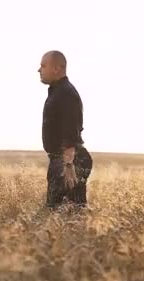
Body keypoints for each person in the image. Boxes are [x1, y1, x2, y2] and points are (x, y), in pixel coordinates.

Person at [37, 50, 93, 210]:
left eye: (43, 65)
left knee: (62, 213)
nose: (39, 70)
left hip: (70, 159)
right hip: (63, 159)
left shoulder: (66, 93)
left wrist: (68, 166)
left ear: (56, 69)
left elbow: (71, 130)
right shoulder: (58, 92)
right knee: (66, 214)